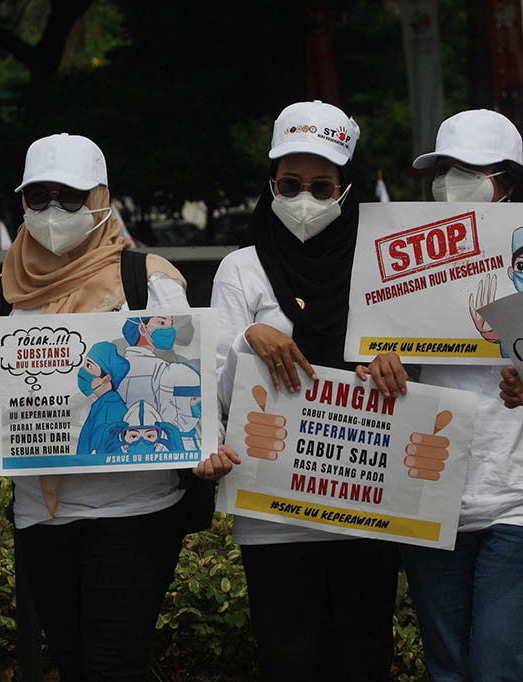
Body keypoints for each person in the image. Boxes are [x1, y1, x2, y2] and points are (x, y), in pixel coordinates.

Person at [0, 132, 238, 681]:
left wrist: (209, 440)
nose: (52, 211)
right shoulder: (3, 292)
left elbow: (197, 375)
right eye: (37, 196)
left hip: (134, 509)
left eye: (69, 196)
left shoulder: (146, 280)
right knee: (71, 661)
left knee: (113, 664)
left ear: (100, 199)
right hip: (42, 514)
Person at [211, 101, 401, 681]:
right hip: (274, 512)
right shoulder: (241, 269)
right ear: (270, 184)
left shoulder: (383, 267)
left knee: (365, 653)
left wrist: (398, 362)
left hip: (366, 502)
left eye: (322, 186)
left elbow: (420, 374)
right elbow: (217, 394)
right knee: (288, 656)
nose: (304, 198)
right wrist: (251, 336)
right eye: (290, 183)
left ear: (347, 191)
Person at [398, 109, 523, 682]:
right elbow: (381, 362)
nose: (449, 184)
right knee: (449, 670)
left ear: (508, 183)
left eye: (467, 170)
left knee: (499, 665)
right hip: (431, 502)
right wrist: (380, 365)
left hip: (522, 501)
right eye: (442, 171)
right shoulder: (401, 262)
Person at [76, 341, 129, 455]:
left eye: (89, 366)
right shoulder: (101, 405)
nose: (83, 371)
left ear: (106, 378)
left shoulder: (112, 410)